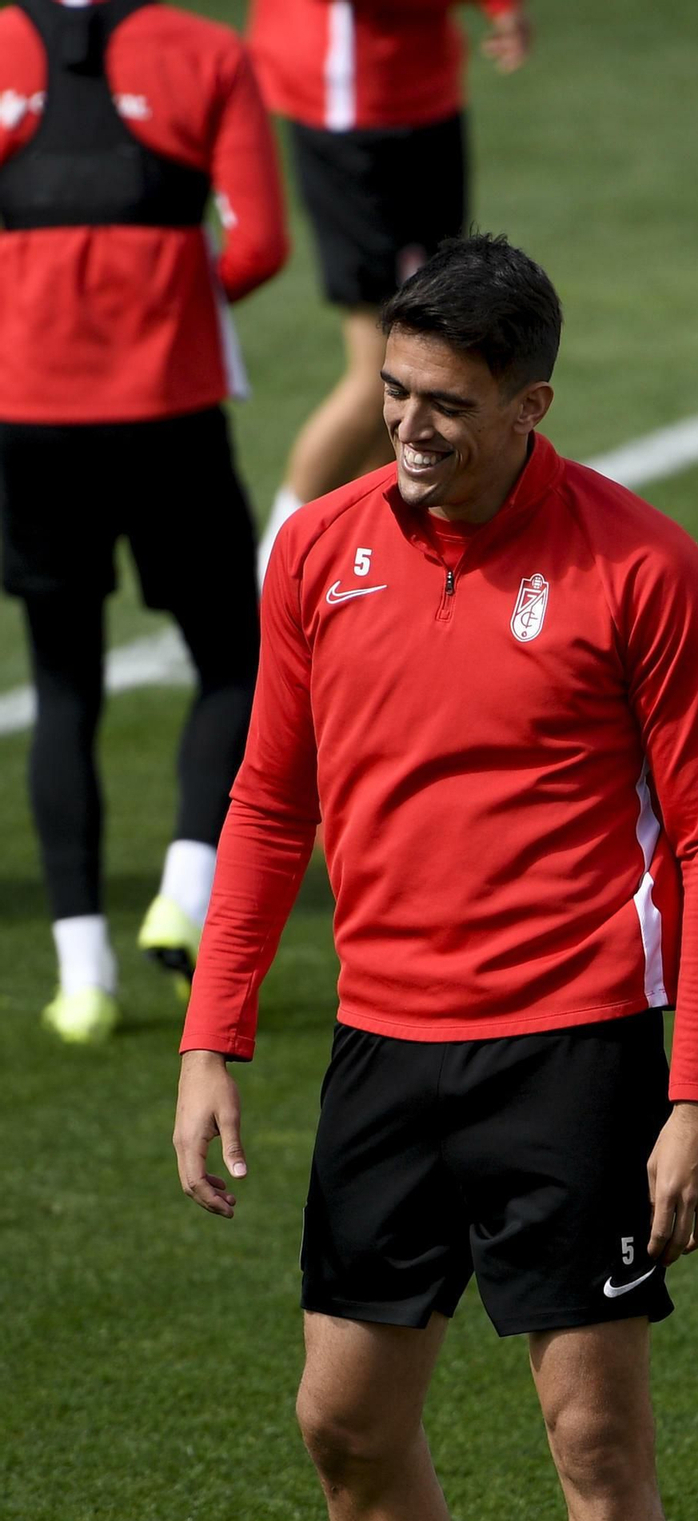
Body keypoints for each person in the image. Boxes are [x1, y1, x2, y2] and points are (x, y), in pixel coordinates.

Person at [172, 234, 698, 1521]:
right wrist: (216, 1036)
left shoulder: (642, 566)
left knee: (594, 1442)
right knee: (344, 1419)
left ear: (531, 405)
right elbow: (271, 796)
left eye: (444, 404)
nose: (406, 427)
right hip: (383, 1047)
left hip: (578, 1056)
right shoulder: (329, 552)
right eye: (395, 394)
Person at [0, 0, 287, 1043]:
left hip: (25, 419)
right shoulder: (206, 53)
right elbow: (259, 244)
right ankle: (185, 890)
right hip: (167, 413)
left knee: (62, 678)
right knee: (233, 660)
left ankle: (83, 974)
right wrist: (159, 301)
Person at [247, 0, 531, 580]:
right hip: (349, 104)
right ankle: (271, 568)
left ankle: (366, 555)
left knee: (422, 354)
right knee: (383, 364)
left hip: (423, 94)